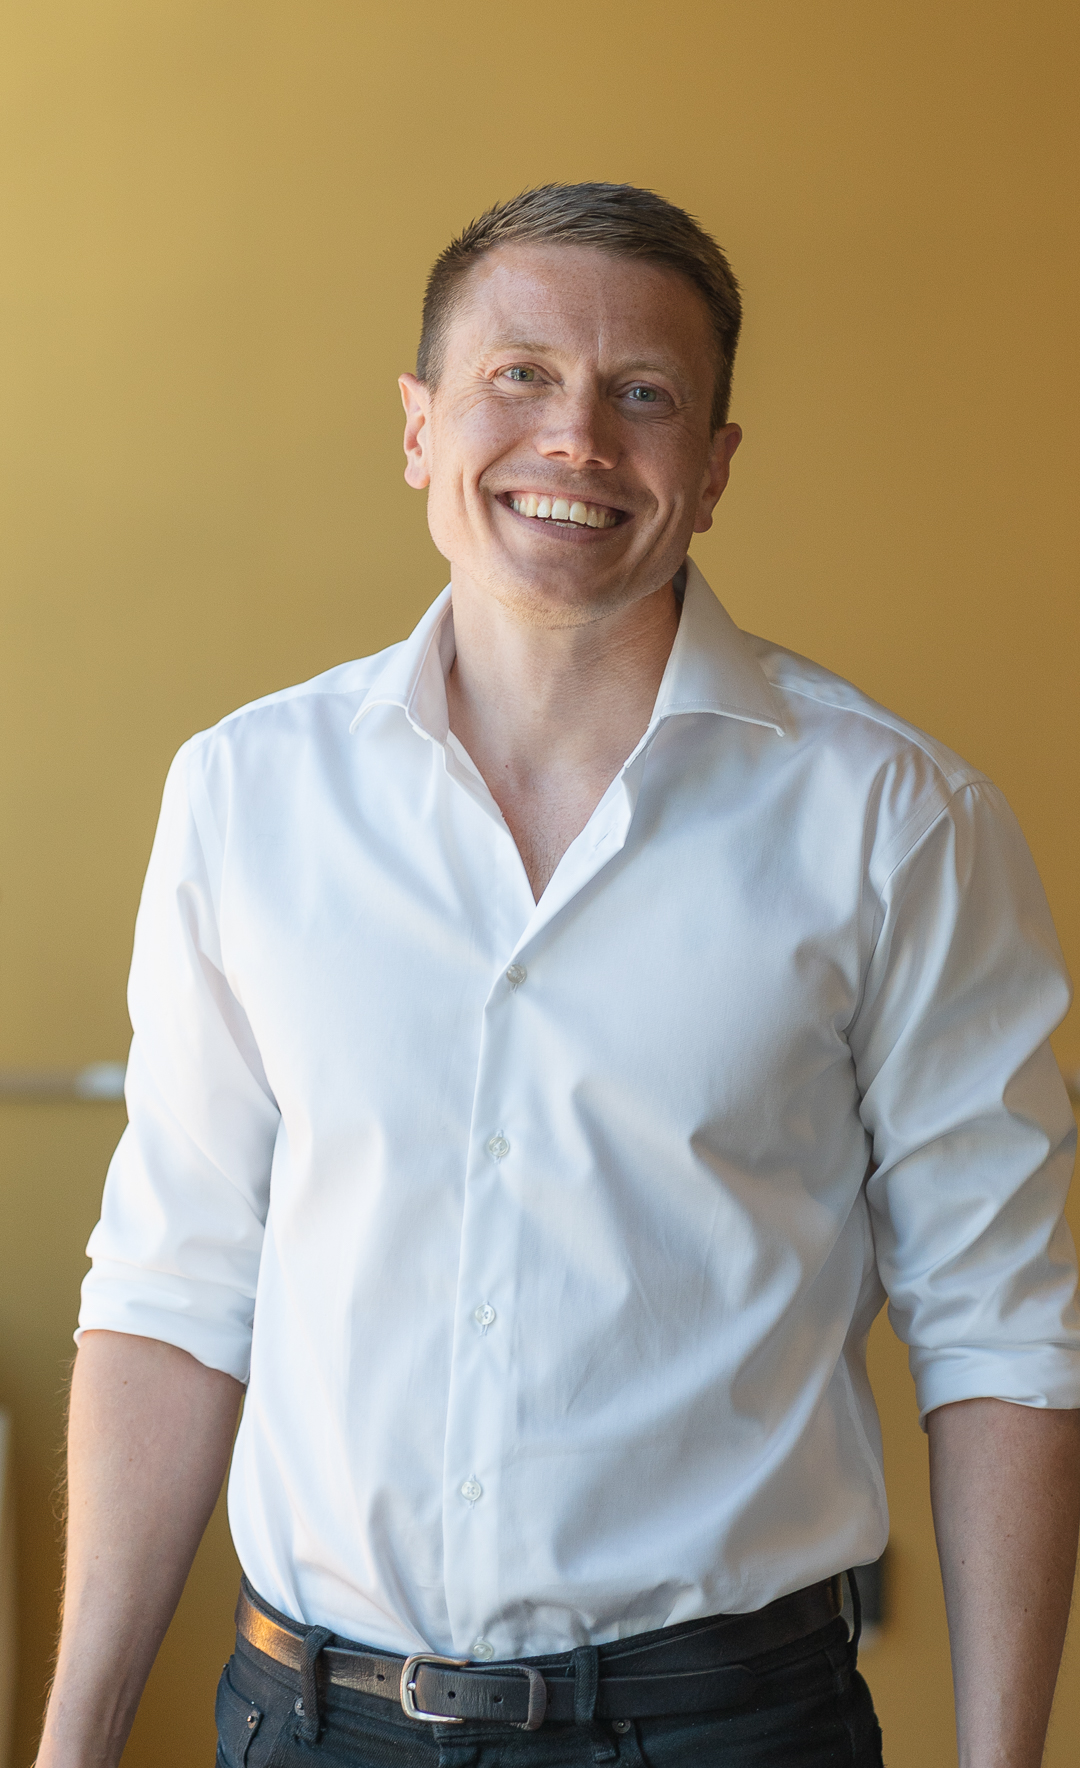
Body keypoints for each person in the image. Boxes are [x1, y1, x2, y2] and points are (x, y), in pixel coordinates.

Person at [37, 184, 1080, 1768]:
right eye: (518, 374)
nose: (576, 438)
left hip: (727, 1732)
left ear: (713, 468)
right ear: (419, 427)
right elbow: (174, 1296)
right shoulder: (246, 794)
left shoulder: (897, 822)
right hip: (310, 1725)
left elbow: (1005, 1332)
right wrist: (71, 1745)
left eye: (642, 394)